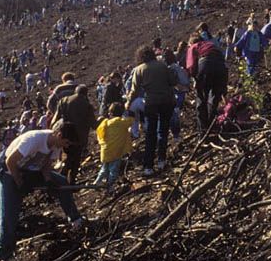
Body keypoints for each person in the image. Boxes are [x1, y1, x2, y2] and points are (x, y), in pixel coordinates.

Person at [0, 129, 83, 261]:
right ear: (59, 135)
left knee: (61, 182)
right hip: (9, 172)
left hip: (30, 170)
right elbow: (10, 161)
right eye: (66, 142)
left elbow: (46, 163)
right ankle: (4, 257)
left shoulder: (56, 144)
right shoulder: (33, 140)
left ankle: (75, 220)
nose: (66, 146)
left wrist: (48, 179)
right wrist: (19, 183)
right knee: (8, 214)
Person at [127, 45, 176, 176]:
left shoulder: (139, 69)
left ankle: (148, 166)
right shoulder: (162, 66)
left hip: (151, 103)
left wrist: (128, 103)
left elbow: (134, 90)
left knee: (150, 133)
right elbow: (173, 81)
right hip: (166, 101)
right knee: (163, 131)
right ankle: (161, 160)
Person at [51, 85, 97, 185]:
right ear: (85, 94)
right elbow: (93, 124)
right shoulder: (87, 105)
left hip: (64, 135)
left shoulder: (63, 100)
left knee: (66, 157)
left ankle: (61, 181)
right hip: (79, 137)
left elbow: (55, 119)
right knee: (75, 160)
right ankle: (70, 182)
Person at [186, 32, 227, 132]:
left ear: (191, 43)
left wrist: (195, 78)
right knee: (215, 96)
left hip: (206, 64)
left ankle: (203, 129)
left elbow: (190, 65)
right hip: (221, 67)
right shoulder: (211, 45)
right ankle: (213, 125)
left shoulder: (193, 47)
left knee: (201, 97)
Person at [94, 102, 133, 189]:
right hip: (116, 152)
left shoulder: (105, 123)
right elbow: (131, 120)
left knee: (104, 169)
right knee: (113, 170)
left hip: (105, 151)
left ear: (110, 113)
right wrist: (129, 110)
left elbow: (100, 135)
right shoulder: (122, 122)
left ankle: (97, 182)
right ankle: (110, 185)